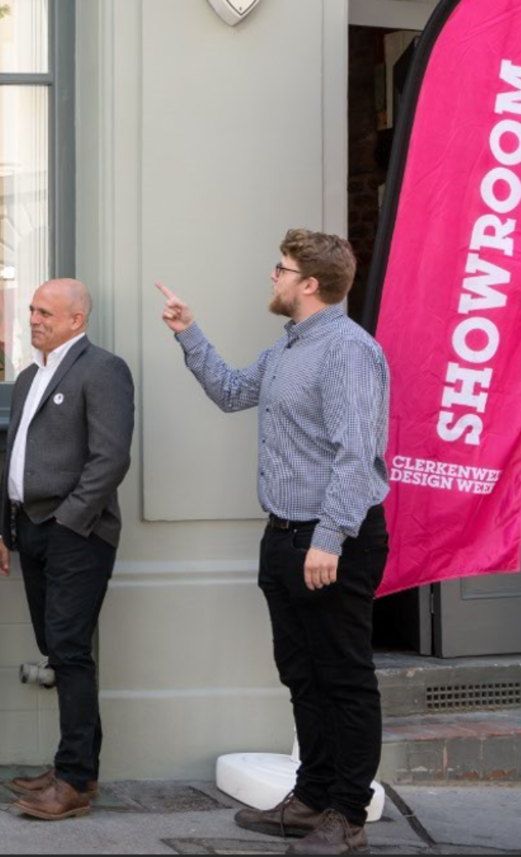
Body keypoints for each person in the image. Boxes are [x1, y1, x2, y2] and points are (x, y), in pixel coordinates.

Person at [157, 229, 390, 856]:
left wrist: (331, 538)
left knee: (345, 678)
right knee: (302, 675)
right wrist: (188, 332)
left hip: (331, 541)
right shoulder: (289, 347)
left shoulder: (347, 351)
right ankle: (312, 797)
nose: (273, 277)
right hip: (284, 536)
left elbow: (356, 456)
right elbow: (232, 392)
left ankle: (348, 813)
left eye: (281, 269)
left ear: (309, 284)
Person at [0, 280, 135, 822]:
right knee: (58, 647)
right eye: (31, 311)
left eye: (46, 312)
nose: (34, 319)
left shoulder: (103, 370)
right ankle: (80, 768)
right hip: (29, 528)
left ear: (77, 319)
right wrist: (2, 529)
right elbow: (14, 459)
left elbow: (110, 458)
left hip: (77, 532)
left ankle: (72, 782)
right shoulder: (29, 376)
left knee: (69, 650)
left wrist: (71, 522)